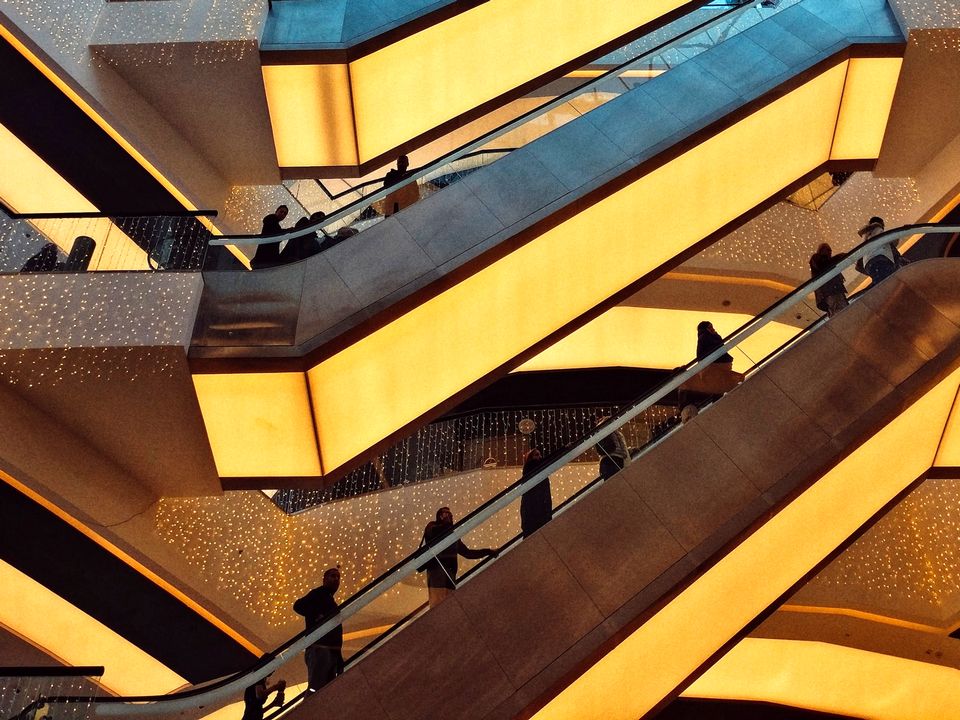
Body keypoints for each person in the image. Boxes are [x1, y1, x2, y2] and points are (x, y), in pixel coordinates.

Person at [421, 507, 497, 607]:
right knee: (437, 608)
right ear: (439, 516)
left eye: (450, 514)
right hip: (437, 577)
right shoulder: (432, 526)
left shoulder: (453, 536)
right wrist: (447, 525)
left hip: (449, 577)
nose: (450, 516)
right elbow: (434, 532)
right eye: (446, 513)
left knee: (449, 608)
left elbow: (468, 553)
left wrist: (488, 551)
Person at [293, 567, 343, 692]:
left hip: (328, 651)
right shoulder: (319, 594)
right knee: (317, 689)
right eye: (332, 576)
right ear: (324, 579)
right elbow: (298, 606)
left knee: (322, 690)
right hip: (320, 648)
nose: (336, 579)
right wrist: (317, 615)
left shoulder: (329, 599)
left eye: (338, 577)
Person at [855, 216, 905, 286]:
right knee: (891, 283)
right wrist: (900, 233)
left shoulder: (865, 237)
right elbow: (891, 240)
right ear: (881, 223)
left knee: (882, 283)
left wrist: (868, 270)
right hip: (881, 259)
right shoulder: (877, 228)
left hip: (869, 265)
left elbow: (858, 266)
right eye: (883, 225)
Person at [519, 448, 552, 538]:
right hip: (535, 509)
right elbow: (548, 459)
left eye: (540, 455)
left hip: (536, 508)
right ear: (530, 458)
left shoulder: (535, 470)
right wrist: (564, 448)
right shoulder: (531, 466)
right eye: (536, 455)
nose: (540, 457)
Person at [809, 243, 848, 317]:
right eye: (828, 250)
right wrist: (839, 257)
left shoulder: (828, 262)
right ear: (821, 250)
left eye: (830, 250)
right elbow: (823, 266)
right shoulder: (816, 258)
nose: (830, 252)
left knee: (841, 309)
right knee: (838, 309)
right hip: (829, 291)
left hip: (833, 291)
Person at [594, 414, 630, 480]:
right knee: (614, 480)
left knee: (616, 480)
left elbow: (620, 446)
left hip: (617, 458)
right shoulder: (604, 431)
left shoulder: (616, 433)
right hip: (610, 458)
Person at [252, 205, 288, 270]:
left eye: (285, 213)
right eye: (281, 211)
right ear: (276, 211)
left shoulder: (273, 223)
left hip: (265, 259)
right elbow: (276, 232)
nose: (283, 214)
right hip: (264, 258)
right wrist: (288, 230)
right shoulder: (270, 219)